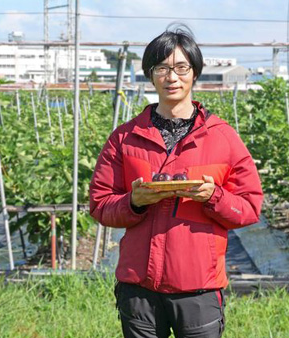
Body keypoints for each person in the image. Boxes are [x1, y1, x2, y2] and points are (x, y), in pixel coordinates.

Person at [89, 25, 263, 338]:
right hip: (139, 287)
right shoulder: (125, 138)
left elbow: (249, 206)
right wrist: (134, 202)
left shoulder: (223, 138)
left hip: (199, 287)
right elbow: (101, 205)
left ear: (194, 73)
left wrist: (213, 196)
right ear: (150, 74)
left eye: (181, 67)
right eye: (162, 68)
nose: (172, 77)